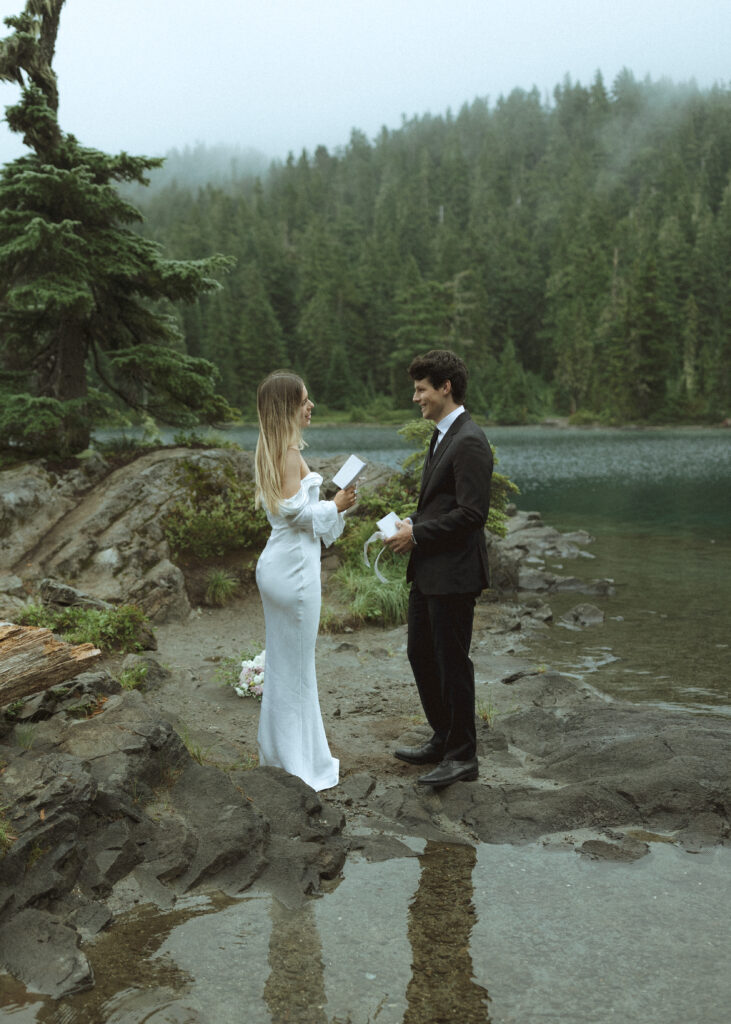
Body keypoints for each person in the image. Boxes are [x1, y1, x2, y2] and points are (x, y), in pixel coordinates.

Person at [384, 350, 493, 787]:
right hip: (430, 570)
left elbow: (472, 514)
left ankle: (463, 756)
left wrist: (418, 535)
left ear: (446, 387)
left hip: (454, 574)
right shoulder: (442, 434)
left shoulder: (469, 439)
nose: (416, 398)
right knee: (420, 654)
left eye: (421, 389)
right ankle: (443, 737)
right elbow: (444, 504)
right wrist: (414, 524)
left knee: (451, 662)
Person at [254, 370, 356, 791]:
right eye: (303, 402)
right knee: (296, 670)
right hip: (294, 574)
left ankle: (283, 755)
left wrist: (337, 508)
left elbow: (296, 517)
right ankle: (297, 766)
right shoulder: (289, 455)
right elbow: (295, 516)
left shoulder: (273, 450)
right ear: (287, 408)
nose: (310, 406)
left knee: (288, 666)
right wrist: (337, 503)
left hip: (282, 566)